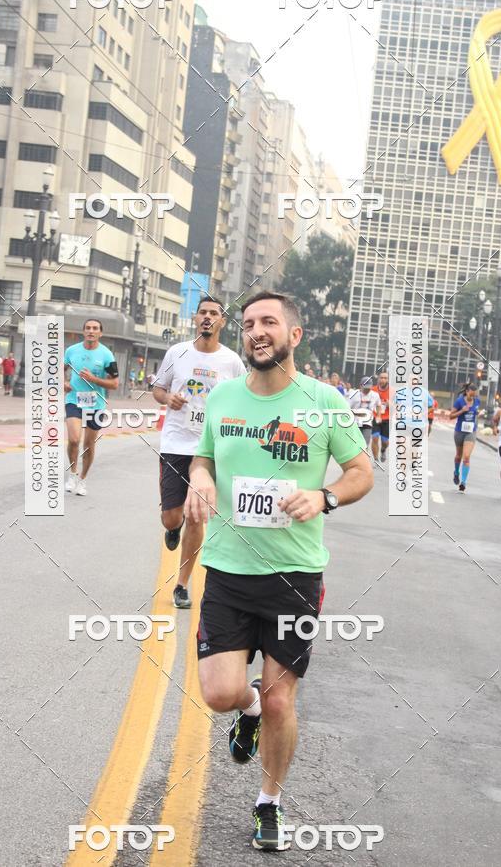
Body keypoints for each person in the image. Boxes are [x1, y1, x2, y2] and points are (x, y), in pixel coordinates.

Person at [185, 290, 373, 851]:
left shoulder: (324, 402)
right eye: (248, 323)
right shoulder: (223, 397)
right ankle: (244, 710)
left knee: (279, 699)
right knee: (221, 694)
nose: (256, 331)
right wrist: (201, 476)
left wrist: (325, 496)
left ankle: (269, 802)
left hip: (295, 577)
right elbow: (203, 456)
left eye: (268, 321)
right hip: (227, 570)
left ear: (294, 335)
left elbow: (361, 471)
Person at [153, 297, 246, 609]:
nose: (208, 317)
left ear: (222, 321)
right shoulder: (177, 352)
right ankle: (172, 527)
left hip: (210, 451)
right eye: (203, 312)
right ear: (195, 319)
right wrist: (169, 398)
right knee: (172, 517)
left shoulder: (232, 361)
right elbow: (158, 389)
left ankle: (181, 584)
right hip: (175, 445)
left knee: (196, 516)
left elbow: (244, 397)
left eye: (214, 313)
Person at [64, 319, 119, 496]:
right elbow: (59, 369)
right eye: (88, 328)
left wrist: (94, 379)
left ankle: (82, 479)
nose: (91, 331)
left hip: (96, 404)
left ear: (100, 333)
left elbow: (115, 384)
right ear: (83, 331)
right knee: (74, 439)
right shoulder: (72, 351)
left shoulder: (107, 355)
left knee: (88, 445)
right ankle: (72, 474)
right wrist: (63, 382)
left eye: (95, 328)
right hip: (74, 400)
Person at [449, 383, 481, 492]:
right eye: (471, 394)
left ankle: (463, 482)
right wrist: (462, 411)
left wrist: (477, 413)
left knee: (466, 457)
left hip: (471, 432)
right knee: (459, 456)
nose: (473, 397)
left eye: (474, 395)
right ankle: (456, 472)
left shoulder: (477, 401)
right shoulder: (459, 401)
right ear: (467, 392)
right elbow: (450, 416)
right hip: (459, 432)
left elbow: (475, 413)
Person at [347, 376, 381, 448]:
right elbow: (347, 407)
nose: (367, 390)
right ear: (360, 386)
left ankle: (364, 453)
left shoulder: (375, 395)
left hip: (367, 423)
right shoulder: (354, 394)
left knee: (365, 445)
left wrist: (378, 415)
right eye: (365, 388)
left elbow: (378, 405)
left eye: (369, 388)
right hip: (355, 423)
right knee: (355, 444)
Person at [371, 371, 390, 462]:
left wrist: (390, 405)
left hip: (387, 418)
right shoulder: (373, 390)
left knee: (385, 441)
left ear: (388, 380)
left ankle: (383, 450)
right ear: (378, 379)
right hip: (375, 417)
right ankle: (376, 460)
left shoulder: (393, 391)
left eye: (385, 378)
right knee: (375, 437)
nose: (383, 380)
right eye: (381, 378)